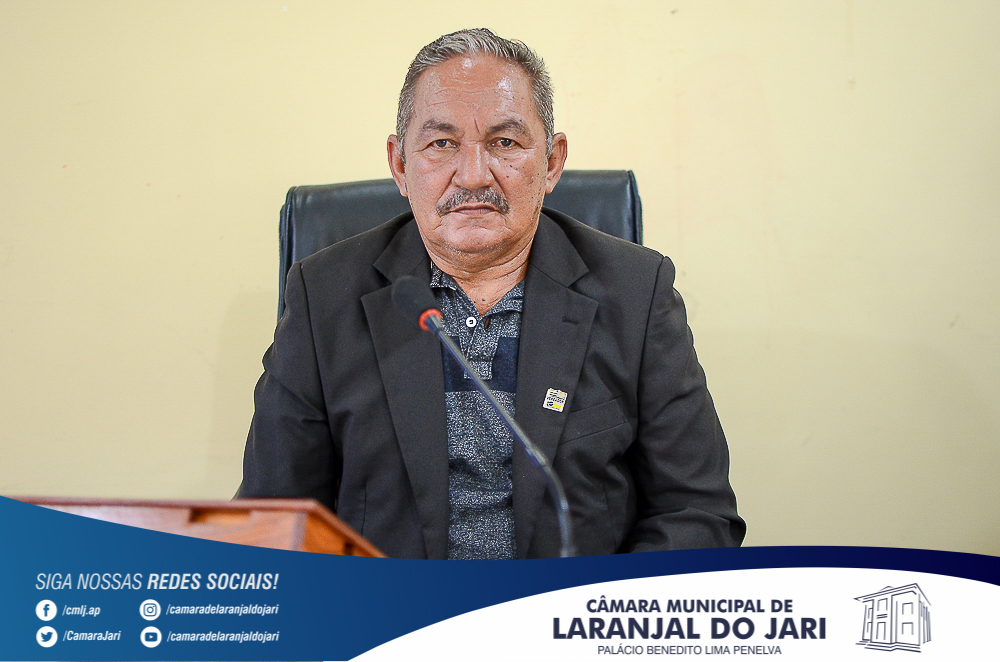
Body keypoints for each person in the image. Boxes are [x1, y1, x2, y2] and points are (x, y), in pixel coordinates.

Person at [238, 28, 746, 559]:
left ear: (552, 162)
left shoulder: (636, 293)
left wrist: (597, 609)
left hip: (570, 608)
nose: (474, 175)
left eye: (504, 143)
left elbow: (696, 513)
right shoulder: (324, 298)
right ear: (400, 165)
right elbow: (272, 520)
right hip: (391, 606)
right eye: (442, 144)